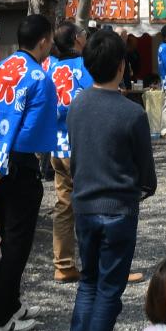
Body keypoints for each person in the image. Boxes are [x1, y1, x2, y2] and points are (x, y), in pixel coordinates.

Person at [65, 29, 157, 331]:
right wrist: (143, 189)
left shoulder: (77, 105)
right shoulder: (131, 112)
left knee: (89, 279)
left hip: (85, 204)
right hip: (119, 206)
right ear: (122, 66)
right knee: (109, 285)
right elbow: (146, 172)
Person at [0, 13, 58, 331]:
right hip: (17, 167)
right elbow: (32, 136)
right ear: (44, 40)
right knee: (17, 243)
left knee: (1, 237)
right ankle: (0, 314)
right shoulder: (38, 77)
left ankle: (10, 302)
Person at [49, 21, 93, 284]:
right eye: (84, 34)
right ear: (77, 39)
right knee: (90, 203)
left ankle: (63, 265)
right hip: (81, 144)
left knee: (64, 206)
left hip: (57, 146)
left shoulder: (50, 68)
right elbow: (94, 97)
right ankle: (94, 265)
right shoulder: (83, 66)